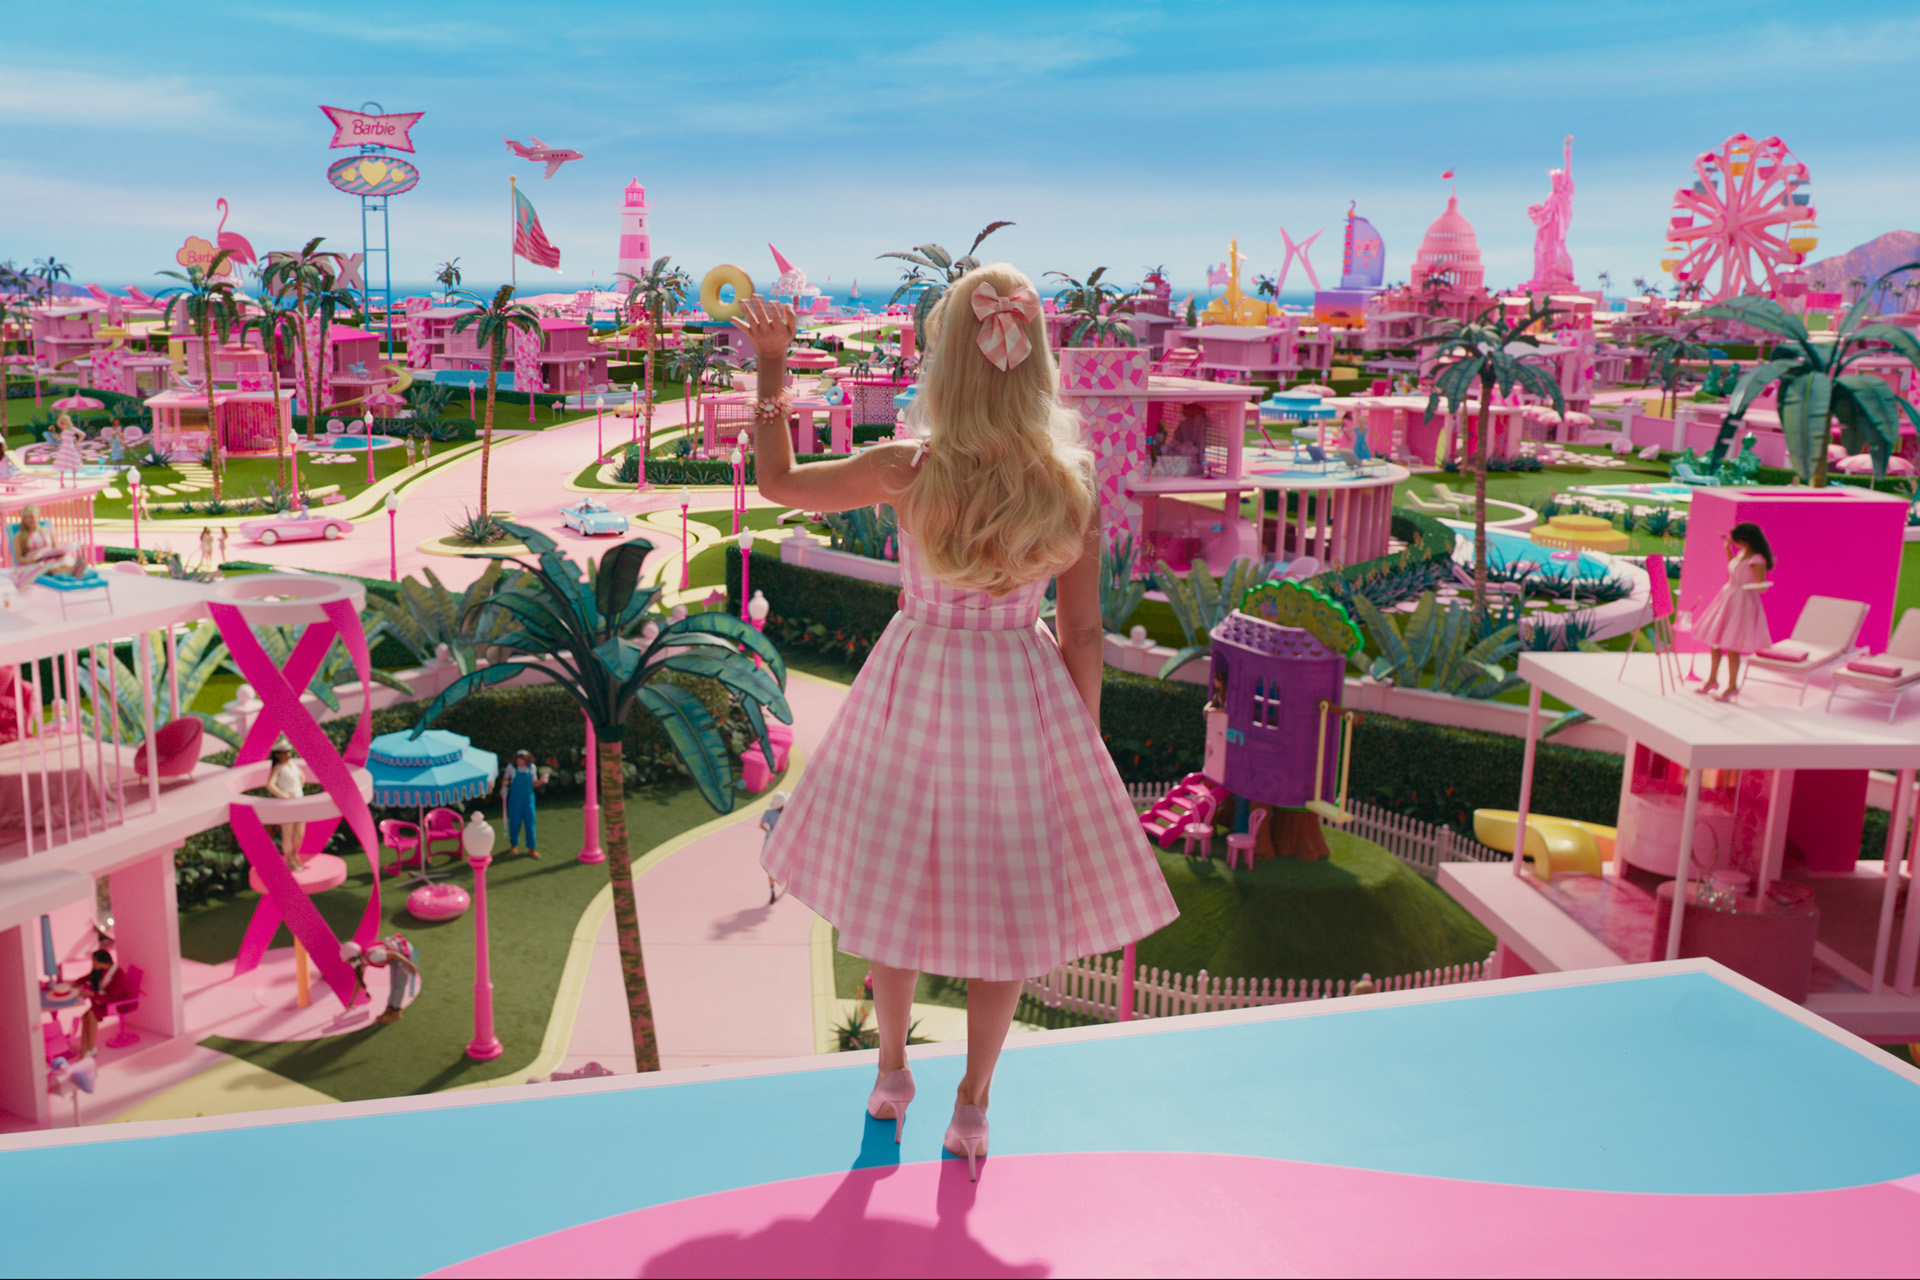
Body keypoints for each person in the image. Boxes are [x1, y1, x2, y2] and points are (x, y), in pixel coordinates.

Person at [740, 273, 1177, 1180]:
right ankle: (973, 1106)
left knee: (893, 896)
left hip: (917, 682)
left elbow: (780, 482)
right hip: (1020, 693)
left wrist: (772, 371)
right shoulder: (1068, 483)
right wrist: (1082, 743)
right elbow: (1087, 630)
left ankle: (892, 1073)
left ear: (948, 366)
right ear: (1034, 367)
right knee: (1003, 920)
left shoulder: (911, 466)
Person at [1692, 521, 1773, 701]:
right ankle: (1712, 679)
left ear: (1746, 540)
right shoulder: (1743, 554)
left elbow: (1761, 586)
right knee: (1715, 642)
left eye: (1737, 540)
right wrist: (1727, 549)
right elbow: (1734, 569)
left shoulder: (1757, 560)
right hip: (1728, 596)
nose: (1735, 543)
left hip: (1742, 602)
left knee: (1731, 645)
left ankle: (1732, 685)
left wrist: (1759, 585)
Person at [343, 939, 420, 1025]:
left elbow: (395, 954)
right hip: (395, 957)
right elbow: (359, 980)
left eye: (349, 961)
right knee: (394, 983)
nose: (349, 964)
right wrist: (352, 999)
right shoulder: (362, 959)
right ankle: (390, 1009)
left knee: (399, 985)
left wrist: (410, 965)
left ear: (354, 957)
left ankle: (396, 1012)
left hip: (403, 953)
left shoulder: (373, 956)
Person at [266, 738, 308, 869]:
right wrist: (284, 795)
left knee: (300, 834)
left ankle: (295, 854)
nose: (287, 754)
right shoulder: (278, 768)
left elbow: (302, 777)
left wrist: (298, 790)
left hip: (299, 802)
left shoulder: (293, 764)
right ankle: (289, 859)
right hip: (286, 805)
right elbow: (270, 785)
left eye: (288, 751)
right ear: (277, 754)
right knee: (288, 834)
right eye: (284, 752)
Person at [498, 749, 545, 858]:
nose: (519, 761)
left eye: (522, 759)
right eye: (518, 759)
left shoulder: (532, 767)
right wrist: (504, 786)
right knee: (515, 823)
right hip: (515, 800)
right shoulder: (511, 768)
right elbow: (505, 779)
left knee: (530, 823)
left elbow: (534, 784)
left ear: (527, 759)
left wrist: (542, 781)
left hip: (529, 800)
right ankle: (513, 845)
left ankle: (532, 849)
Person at [759, 790, 789, 905]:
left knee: (770, 868)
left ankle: (772, 891)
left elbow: (761, 825)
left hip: (771, 844)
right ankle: (786, 880)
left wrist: (768, 831)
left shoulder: (769, 813)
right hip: (782, 843)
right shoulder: (786, 813)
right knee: (784, 864)